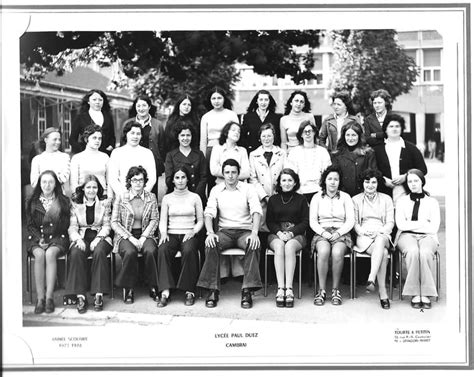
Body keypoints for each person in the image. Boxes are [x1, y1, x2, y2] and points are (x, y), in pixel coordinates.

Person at [196, 159, 263, 309]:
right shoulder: (216, 190)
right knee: (211, 243)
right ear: (223, 174)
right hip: (224, 231)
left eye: (234, 172)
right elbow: (209, 213)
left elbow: (256, 210)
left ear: (239, 173)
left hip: (244, 231)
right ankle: (213, 290)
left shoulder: (248, 188)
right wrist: (210, 233)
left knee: (253, 244)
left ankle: (247, 290)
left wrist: (254, 233)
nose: (230, 176)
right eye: (227, 172)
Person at [111, 166, 160, 304]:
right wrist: (130, 237)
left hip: (145, 233)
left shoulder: (151, 197)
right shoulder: (121, 197)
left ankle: (153, 285)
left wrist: (144, 236)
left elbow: (154, 219)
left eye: (141, 180)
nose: (138, 183)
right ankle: (129, 288)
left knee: (151, 251)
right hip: (126, 234)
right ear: (129, 181)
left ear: (145, 182)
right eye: (134, 180)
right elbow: (114, 222)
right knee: (130, 252)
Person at [156, 166, 204, 307]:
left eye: (183, 177)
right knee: (163, 249)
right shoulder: (167, 198)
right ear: (173, 180)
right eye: (177, 177)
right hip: (171, 232)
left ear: (188, 179)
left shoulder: (195, 197)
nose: (180, 180)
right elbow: (163, 220)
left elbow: (200, 220)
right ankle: (165, 291)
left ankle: (189, 291)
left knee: (189, 250)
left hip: (189, 232)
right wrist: (163, 233)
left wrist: (194, 231)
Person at [65, 175, 113, 313]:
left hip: (101, 236)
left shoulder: (104, 204)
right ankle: (81, 296)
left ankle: (98, 295)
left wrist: (98, 239)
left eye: (94, 187)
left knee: (99, 252)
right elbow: (72, 227)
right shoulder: (75, 204)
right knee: (75, 253)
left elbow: (107, 225)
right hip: (82, 236)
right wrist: (77, 239)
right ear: (83, 189)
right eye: (88, 187)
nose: (91, 190)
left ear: (98, 189)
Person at [310, 165, 355, 306]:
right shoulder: (316, 197)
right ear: (324, 181)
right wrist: (324, 233)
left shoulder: (346, 197)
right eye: (330, 179)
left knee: (337, 252)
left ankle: (335, 290)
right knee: (323, 251)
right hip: (321, 231)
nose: (333, 182)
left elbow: (350, 220)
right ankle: (322, 290)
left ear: (339, 181)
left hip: (341, 232)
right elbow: (312, 221)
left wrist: (338, 233)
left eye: (336, 179)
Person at [395, 169, 440, 309]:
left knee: (425, 252)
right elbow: (401, 225)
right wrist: (423, 223)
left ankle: (425, 293)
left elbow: (433, 227)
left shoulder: (432, 202)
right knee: (413, 251)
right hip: (405, 235)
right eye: (409, 181)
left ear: (422, 181)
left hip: (428, 236)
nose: (413, 184)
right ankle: (415, 293)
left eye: (416, 180)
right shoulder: (402, 201)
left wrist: (412, 225)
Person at [26, 170, 70, 314]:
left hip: (57, 237)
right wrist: (40, 239)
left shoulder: (63, 201)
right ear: (39, 183)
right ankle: (40, 299)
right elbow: (30, 225)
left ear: (55, 183)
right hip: (37, 237)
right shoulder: (32, 202)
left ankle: (50, 298)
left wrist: (49, 238)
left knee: (50, 254)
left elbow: (65, 224)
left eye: (50, 182)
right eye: (44, 182)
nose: (47, 185)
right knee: (39, 255)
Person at [352, 168, 395, 309]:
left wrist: (380, 231)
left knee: (381, 240)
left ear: (378, 184)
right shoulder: (355, 200)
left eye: (373, 182)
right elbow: (355, 223)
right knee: (383, 253)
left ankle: (371, 277)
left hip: (382, 232)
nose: (370, 185)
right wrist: (363, 232)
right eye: (367, 182)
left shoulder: (386, 199)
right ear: (362, 183)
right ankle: (383, 293)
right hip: (364, 235)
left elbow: (390, 222)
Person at [266, 168, 309, 308]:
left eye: (290, 180)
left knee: (289, 246)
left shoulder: (301, 199)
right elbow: (269, 222)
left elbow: (305, 222)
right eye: (284, 180)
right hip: (276, 233)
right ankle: (280, 289)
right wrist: (279, 233)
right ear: (279, 182)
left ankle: (289, 289)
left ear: (295, 182)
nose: (287, 183)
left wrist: (291, 233)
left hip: (296, 235)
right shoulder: (273, 199)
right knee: (279, 246)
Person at [372, 113, 427, 204]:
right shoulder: (377, 150)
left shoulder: (411, 148)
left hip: (406, 191)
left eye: (397, 126)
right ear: (385, 129)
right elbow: (372, 169)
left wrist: (406, 176)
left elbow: (422, 169)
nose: (394, 129)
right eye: (391, 126)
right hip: (383, 192)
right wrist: (383, 179)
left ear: (401, 129)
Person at [200, 87, 239, 193]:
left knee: (229, 178)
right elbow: (203, 141)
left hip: (228, 149)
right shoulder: (206, 117)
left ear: (224, 99)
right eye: (213, 98)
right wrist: (202, 159)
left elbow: (236, 134)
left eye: (219, 98)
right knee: (212, 181)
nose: (216, 101)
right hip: (211, 151)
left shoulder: (231, 114)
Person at [121, 95, 166, 180]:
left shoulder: (158, 124)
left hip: (152, 164)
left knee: (151, 190)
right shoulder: (127, 123)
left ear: (149, 106)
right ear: (135, 107)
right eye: (138, 106)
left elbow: (162, 147)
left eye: (144, 105)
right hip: (131, 163)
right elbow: (122, 144)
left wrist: (159, 161)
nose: (141, 108)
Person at [107, 122, 156, 198]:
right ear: (126, 134)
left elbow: (152, 178)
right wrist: (123, 195)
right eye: (132, 133)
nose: (135, 136)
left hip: (142, 198)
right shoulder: (116, 153)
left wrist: (140, 195)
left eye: (138, 134)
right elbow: (113, 178)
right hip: (122, 197)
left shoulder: (147, 153)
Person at [286, 120, 331, 203]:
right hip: (299, 193)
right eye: (304, 131)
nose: (307, 134)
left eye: (310, 131)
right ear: (301, 135)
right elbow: (290, 175)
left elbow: (327, 173)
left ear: (314, 133)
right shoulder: (294, 152)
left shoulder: (323, 151)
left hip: (319, 192)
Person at [164, 121, 207, 205]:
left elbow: (204, 178)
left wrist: (195, 196)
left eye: (188, 135)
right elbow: (169, 179)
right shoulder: (171, 155)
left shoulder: (199, 154)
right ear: (177, 137)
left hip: (197, 197)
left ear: (192, 136)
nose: (185, 138)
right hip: (177, 197)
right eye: (182, 135)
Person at [331, 121, 376, 197]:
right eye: (347, 135)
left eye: (353, 135)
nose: (350, 138)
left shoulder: (368, 153)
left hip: (363, 195)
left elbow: (372, 175)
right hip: (343, 195)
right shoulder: (337, 154)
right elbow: (335, 177)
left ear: (359, 136)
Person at [69, 89, 115, 155]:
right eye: (94, 99)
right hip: (87, 155)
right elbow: (72, 140)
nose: (97, 102)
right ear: (88, 101)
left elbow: (112, 136)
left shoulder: (108, 117)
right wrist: (83, 150)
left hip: (105, 154)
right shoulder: (80, 117)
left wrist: (111, 146)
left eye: (100, 100)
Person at [69, 124, 109, 193]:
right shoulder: (77, 158)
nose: (97, 141)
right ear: (86, 139)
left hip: (102, 197)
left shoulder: (105, 157)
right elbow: (73, 183)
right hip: (83, 197)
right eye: (94, 138)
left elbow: (109, 181)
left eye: (99, 138)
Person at [241, 90, 282, 154]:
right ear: (257, 101)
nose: (263, 102)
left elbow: (278, 137)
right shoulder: (248, 117)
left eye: (266, 100)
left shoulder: (276, 118)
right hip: (253, 152)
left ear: (269, 102)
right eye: (261, 99)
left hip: (271, 152)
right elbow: (243, 136)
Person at [209, 121, 250, 185]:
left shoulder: (242, 150)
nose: (236, 132)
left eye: (239, 131)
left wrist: (227, 173)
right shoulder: (217, 149)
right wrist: (234, 173)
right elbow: (214, 170)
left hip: (240, 187)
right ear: (226, 132)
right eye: (233, 130)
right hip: (221, 186)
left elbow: (246, 173)